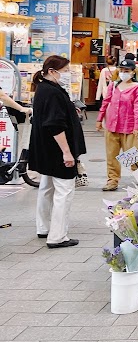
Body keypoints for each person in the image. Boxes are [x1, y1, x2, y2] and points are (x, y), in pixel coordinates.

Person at [28, 55, 86, 248]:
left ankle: (43, 227)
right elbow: (55, 125)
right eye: (66, 70)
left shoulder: (43, 88)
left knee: (46, 188)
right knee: (64, 191)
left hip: (44, 149)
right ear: (52, 71)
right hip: (56, 150)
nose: (68, 74)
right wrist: (67, 153)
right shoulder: (52, 92)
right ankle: (58, 236)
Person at [96, 59, 138, 191]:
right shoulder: (113, 85)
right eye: (121, 70)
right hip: (112, 126)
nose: (123, 73)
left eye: (127, 71)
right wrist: (100, 119)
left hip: (129, 127)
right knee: (112, 155)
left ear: (133, 72)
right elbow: (105, 102)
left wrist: (137, 126)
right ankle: (112, 180)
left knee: (131, 155)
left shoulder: (137, 87)